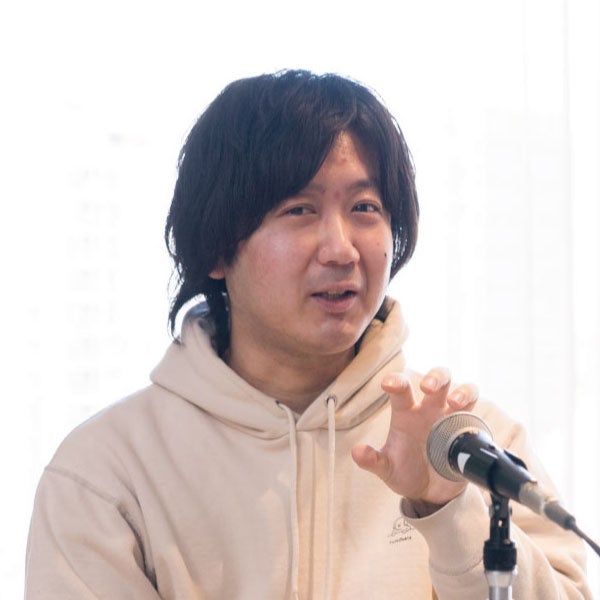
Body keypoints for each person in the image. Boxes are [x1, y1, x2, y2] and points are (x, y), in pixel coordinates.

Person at [25, 70, 591, 599]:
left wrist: (448, 509)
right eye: (299, 210)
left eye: (365, 207)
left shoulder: (466, 442)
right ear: (217, 249)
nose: (341, 249)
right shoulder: (108, 471)